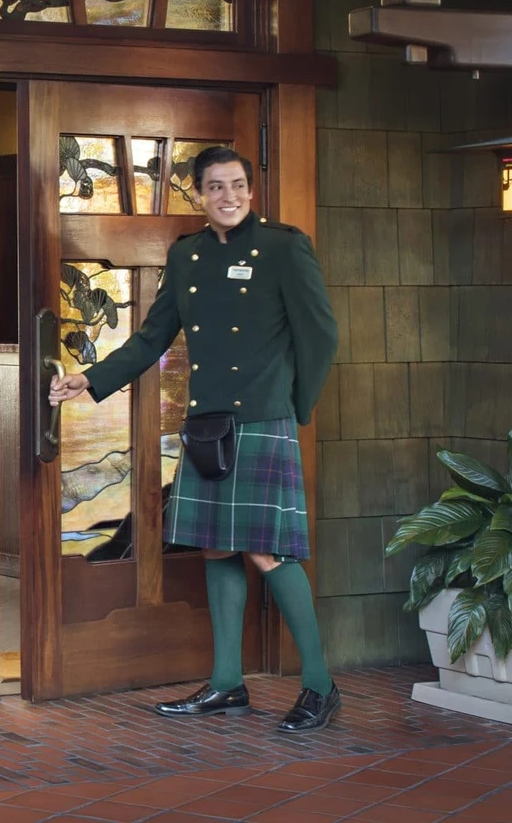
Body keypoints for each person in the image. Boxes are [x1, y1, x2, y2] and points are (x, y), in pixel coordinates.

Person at [49, 145, 341, 732]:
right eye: (215, 187)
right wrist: (91, 378)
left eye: (237, 186)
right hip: (209, 423)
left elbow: (321, 335)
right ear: (199, 195)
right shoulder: (187, 257)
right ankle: (228, 684)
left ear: (251, 192)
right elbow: (152, 336)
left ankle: (320, 686)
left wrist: (293, 405)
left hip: (263, 421)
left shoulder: (285, 248)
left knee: (267, 551)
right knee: (216, 547)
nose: (227, 197)